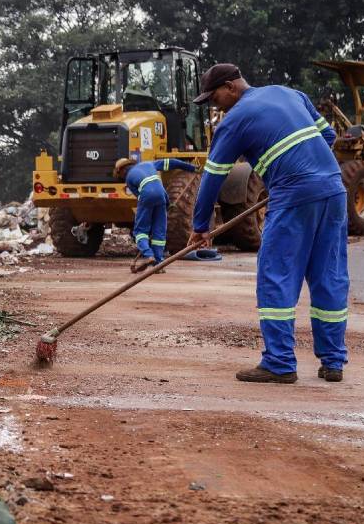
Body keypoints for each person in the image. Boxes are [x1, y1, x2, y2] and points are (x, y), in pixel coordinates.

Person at [187, 63, 348, 384]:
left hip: (293, 197)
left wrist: (200, 226)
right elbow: (328, 135)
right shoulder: (289, 93)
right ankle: (333, 362)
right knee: (328, 276)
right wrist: (301, 165)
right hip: (332, 189)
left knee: (276, 273)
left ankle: (279, 362)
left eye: (214, 97)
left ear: (231, 87)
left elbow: (213, 177)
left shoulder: (233, 122)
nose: (213, 105)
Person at [112, 157, 198, 272]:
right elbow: (172, 163)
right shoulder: (149, 164)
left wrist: (148, 215)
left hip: (147, 196)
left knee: (139, 231)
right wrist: (192, 168)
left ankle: (149, 255)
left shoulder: (129, 179)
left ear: (121, 171)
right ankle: (159, 264)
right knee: (159, 232)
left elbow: (142, 197)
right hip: (161, 197)